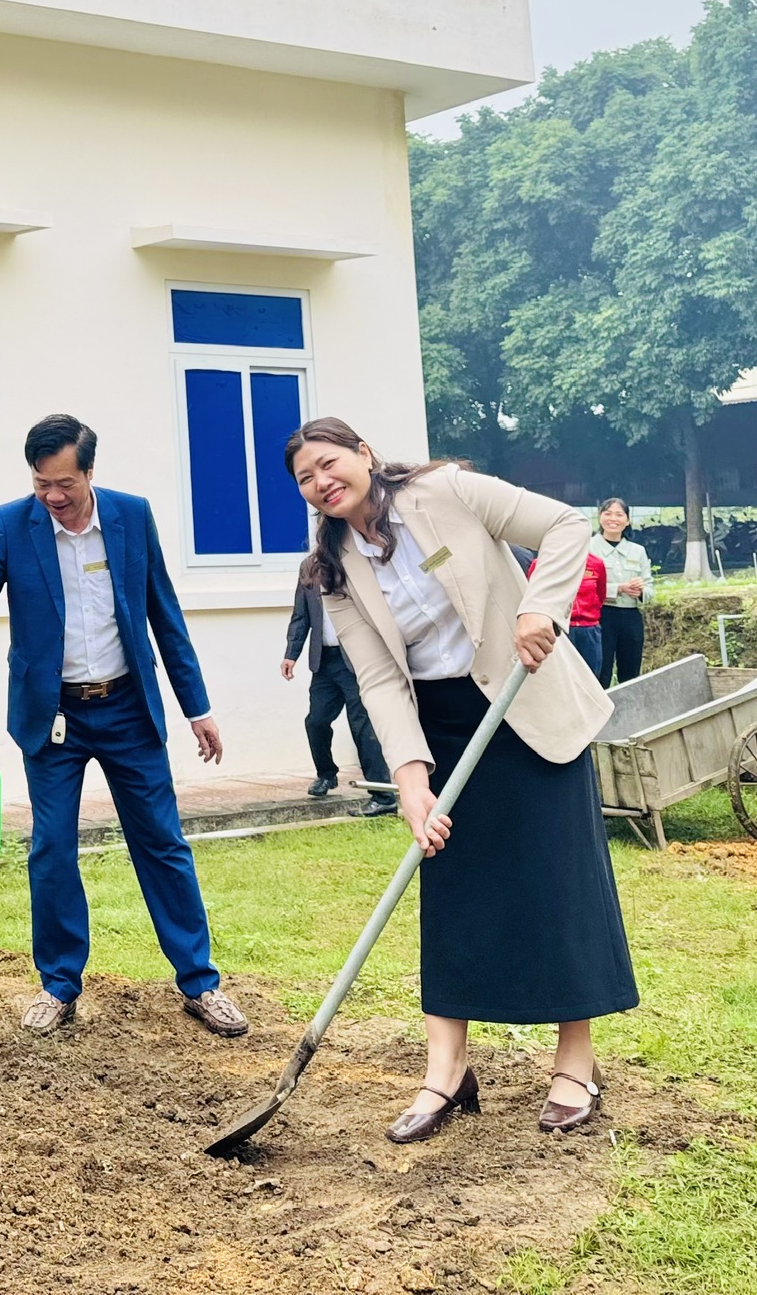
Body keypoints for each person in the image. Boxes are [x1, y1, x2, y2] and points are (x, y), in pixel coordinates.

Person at [286, 417, 636, 1141]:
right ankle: (445, 1073)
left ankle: (576, 1065)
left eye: (328, 463)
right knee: (450, 893)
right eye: (304, 478)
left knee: (557, 882)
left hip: (523, 699)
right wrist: (411, 780)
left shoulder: (447, 490)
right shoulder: (333, 569)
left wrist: (540, 608)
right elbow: (380, 679)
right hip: (441, 729)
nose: (321, 482)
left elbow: (565, 525)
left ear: (363, 454)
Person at [0, 414, 249, 1039]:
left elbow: (165, 616)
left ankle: (200, 981)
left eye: (65, 483)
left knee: (162, 842)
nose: (53, 496)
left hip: (127, 708)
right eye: (41, 484)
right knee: (52, 849)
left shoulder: (131, 516)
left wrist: (196, 708)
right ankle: (59, 985)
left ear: (89, 472)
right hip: (52, 714)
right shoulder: (11, 525)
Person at [283, 554, 398, 817]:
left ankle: (383, 796)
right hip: (324, 661)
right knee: (316, 721)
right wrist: (291, 654)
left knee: (362, 726)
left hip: (357, 660)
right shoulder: (309, 566)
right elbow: (300, 616)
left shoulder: (356, 561)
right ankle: (326, 774)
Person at [590, 498, 653, 685]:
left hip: (631, 616)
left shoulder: (638, 551)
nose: (613, 519)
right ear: (600, 517)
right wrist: (618, 589)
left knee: (631, 672)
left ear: (627, 520)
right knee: (601, 671)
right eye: (608, 513)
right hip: (600, 616)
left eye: (619, 515)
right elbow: (583, 586)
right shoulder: (588, 548)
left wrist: (640, 591)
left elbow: (649, 587)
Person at [564, 550, 609, 684]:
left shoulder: (596, 563)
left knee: (591, 679)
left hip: (589, 629)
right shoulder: (544, 562)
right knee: (564, 679)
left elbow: (601, 595)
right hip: (561, 629)